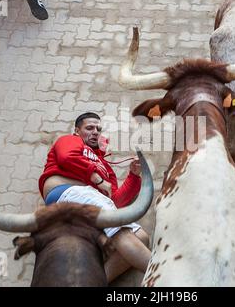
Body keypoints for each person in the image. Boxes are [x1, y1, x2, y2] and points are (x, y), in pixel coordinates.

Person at [38, 112, 151, 283]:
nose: (95, 132)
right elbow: (66, 157)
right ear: (77, 131)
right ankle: (167, 279)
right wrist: (97, 180)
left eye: (98, 129)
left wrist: (134, 175)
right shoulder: (70, 140)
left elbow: (116, 200)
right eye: (89, 128)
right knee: (120, 232)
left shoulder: (104, 165)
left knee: (141, 237)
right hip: (68, 192)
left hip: (93, 200)